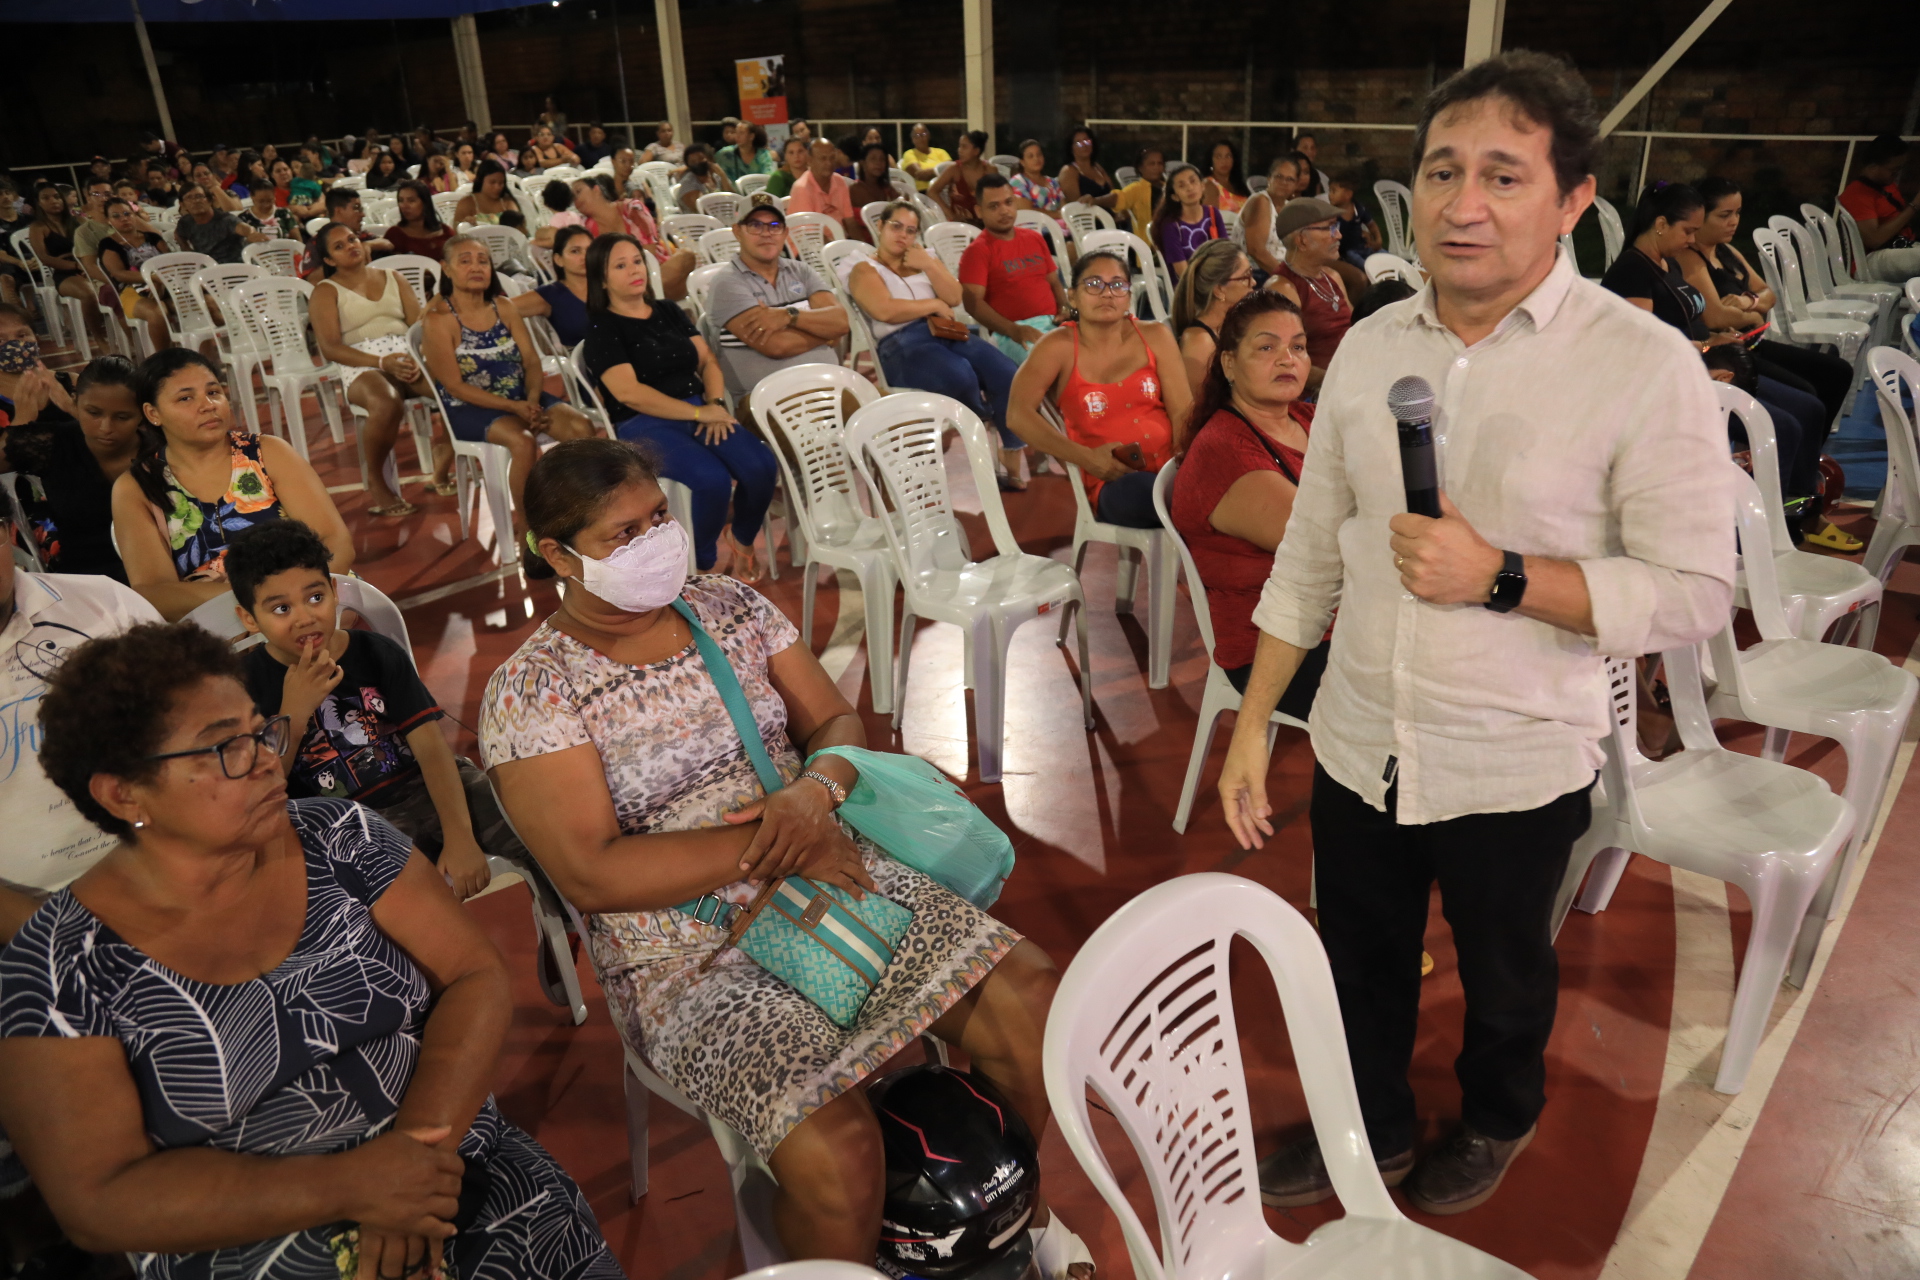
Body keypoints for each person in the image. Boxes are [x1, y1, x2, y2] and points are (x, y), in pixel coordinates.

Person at [1217, 50, 1735, 1215]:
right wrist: (1257, 725)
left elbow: (1696, 588)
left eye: (1504, 175)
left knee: (1507, 973)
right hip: (1358, 739)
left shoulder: (1640, 365)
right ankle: (1377, 1129)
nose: (1463, 204)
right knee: (1359, 960)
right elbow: (1308, 552)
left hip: (1514, 752)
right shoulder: (1366, 347)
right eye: (1443, 170)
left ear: (1573, 200)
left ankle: (1498, 1114)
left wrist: (1501, 575)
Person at [480, 438, 1093, 1275]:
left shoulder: (728, 605)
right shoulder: (534, 689)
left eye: (657, 517)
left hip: (829, 870)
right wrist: (766, 850)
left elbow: (836, 726)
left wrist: (815, 796)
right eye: (622, 536)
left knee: (1033, 1002)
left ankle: (1002, 1212)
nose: (655, 541)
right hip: (684, 952)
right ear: (557, 555)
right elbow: (592, 871)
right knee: (842, 1157)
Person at [0, 620, 625, 1280]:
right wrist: (353, 1186)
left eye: (260, 729)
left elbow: (473, 975)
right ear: (122, 793)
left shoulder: (339, 836)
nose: (270, 756)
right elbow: (101, 1198)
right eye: (224, 749)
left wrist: (412, 1158)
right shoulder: (56, 972)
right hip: (256, 1250)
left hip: (459, 1170)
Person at [226, 521, 512, 901]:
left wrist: (460, 837)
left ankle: (578, 928)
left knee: (529, 824)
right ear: (249, 619)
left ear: (333, 591)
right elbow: (261, 791)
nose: (305, 617)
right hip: (344, 824)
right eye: (281, 608)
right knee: (382, 899)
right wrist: (293, 715)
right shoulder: (245, 686)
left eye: (315, 598)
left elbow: (431, 750)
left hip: (427, 787)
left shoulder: (376, 653)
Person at [1601, 182, 1832, 536]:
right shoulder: (1631, 271)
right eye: (1688, 230)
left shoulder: (1666, 263)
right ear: (1661, 223)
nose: (1693, 239)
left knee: (1809, 408)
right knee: (1781, 427)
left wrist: (1712, 342)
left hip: (1706, 365)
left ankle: (1793, 511)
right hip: (1668, 383)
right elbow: (1644, 344)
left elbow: (1687, 325)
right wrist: (1707, 348)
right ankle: (1748, 538)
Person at [582, 233, 775, 578]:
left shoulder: (668, 310)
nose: (634, 270)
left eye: (637, 261)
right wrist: (700, 412)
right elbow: (629, 393)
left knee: (760, 464)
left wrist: (714, 403)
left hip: (699, 408)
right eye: (620, 265)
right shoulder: (602, 326)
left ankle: (743, 539)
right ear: (601, 278)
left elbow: (708, 362)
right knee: (711, 479)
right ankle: (702, 564)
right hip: (643, 422)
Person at [1682, 175, 1859, 549]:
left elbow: (1768, 295)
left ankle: (1803, 480)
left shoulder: (1727, 252)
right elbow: (1716, 317)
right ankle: (1792, 505)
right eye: (1724, 215)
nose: (1733, 222)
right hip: (1735, 354)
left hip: (1752, 344)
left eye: (1738, 213)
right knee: (1806, 403)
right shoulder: (1690, 255)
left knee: (1835, 374)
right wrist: (1750, 307)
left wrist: (1746, 304)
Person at [1170, 290, 1326, 712]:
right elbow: (1320, 545)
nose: (1286, 358)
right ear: (1229, 364)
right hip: (1276, 648)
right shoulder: (1225, 451)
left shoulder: (1308, 418)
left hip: (1336, 619)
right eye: (1266, 347)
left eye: (1298, 346)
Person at [112, 350, 353, 620]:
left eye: (213, 392)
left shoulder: (268, 453)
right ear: (153, 413)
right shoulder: (136, 487)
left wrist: (297, 598)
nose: (207, 405)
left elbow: (336, 541)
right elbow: (154, 591)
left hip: (306, 603)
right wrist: (258, 602)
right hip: (214, 620)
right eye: (185, 398)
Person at [422, 235, 593, 553]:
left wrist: (530, 400)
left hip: (520, 396)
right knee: (523, 442)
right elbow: (455, 386)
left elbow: (530, 360)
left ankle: (578, 514)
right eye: (465, 260)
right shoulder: (438, 321)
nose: (476, 266)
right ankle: (529, 529)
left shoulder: (504, 307)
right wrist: (514, 407)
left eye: (483, 260)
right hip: (468, 406)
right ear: (446, 269)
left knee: (581, 428)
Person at [849, 200, 1032, 487]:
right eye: (896, 226)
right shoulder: (864, 267)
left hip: (944, 330)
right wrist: (931, 302)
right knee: (960, 375)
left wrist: (929, 266)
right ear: (880, 226)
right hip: (901, 345)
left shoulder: (924, 259)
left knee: (1005, 369)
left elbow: (955, 297)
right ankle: (986, 415)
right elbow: (883, 310)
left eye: (911, 230)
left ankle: (1009, 446)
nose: (903, 235)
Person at [1008, 250, 1190, 525]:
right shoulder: (1058, 347)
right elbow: (1017, 414)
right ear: (1072, 296)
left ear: (1129, 295)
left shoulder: (1156, 336)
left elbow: (1182, 412)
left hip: (1171, 471)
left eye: (1118, 285)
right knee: (1156, 495)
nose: (1107, 293)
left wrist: (1186, 467)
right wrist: (1089, 459)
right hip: (1114, 482)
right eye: (1094, 284)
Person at [309, 222, 442, 516]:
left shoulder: (392, 277)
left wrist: (434, 311)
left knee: (450, 388)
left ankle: (443, 461)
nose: (351, 246)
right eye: (339, 246)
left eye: (352, 239)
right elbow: (330, 348)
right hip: (359, 363)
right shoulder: (325, 291)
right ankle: (376, 478)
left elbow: (417, 325)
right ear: (329, 260)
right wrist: (382, 363)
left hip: (404, 355)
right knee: (386, 402)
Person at [1, 353, 141, 580]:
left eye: (122, 417)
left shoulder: (159, 444)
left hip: (158, 569)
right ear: (76, 402)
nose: (106, 427)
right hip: (86, 577)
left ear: (144, 414)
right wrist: (21, 421)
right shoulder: (55, 442)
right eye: (93, 413)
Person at [707, 200, 849, 406]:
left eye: (775, 226)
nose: (767, 233)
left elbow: (842, 322)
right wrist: (824, 332)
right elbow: (776, 346)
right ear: (737, 231)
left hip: (830, 388)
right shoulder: (727, 283)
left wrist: (788, 316)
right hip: (771, 403)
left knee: (898, 421)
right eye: (755, 225)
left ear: (785, 233)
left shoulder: (801, 271)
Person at [960, 174, 1070, 365]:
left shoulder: (1034, 238)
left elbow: (1053, 281)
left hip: (1054, 323)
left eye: (1008, 202)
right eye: (994, 206)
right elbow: (973, 304)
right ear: (979, 211)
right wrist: (1013, 330)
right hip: (1013, 332)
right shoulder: (977, 251)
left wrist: (1065, 308)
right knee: (1052, 363)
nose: (1004, 211)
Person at [1264, 197, 1354, 390]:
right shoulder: (1283, 288)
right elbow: (1287, 361)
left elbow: (1354, 329)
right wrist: (1340, 381)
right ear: (1302, 240)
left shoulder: (1333, 277)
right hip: (1318, 393)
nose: (1338, 235)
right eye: (1329, 228)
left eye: (1336, 226)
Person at [1172, 239, 1256, 392]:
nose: (1254, 282)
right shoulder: (1199, 342)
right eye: (1246, 277)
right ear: (1219, 290)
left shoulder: (1234, 325)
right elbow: (1196, 409)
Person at [1837, 133, 1920, 283]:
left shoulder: (1885, 185)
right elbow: (1874, 239)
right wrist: (1914, 206)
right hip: (1868, 261)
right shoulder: (1857, 194)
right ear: (1873, 167)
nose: (1896, 174)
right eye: (1894, 170)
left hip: (1899, 247)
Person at [95, 200, 172, 351]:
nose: (124, 218)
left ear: (134, 215)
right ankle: (164, 359)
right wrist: (152, 278)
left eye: (127, 214)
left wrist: (160, 281)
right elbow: (119, 274)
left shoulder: (152, 237)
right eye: (116, 216)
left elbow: (169, 261)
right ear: (108, 221)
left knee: (200, 303)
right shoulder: (108, 243)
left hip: (164, 285)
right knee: (156, 312)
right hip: (131, 290)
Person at [27, 185, 97, 330]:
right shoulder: (38, 227)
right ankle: (98, 336)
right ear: (39, 203)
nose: (54, 201)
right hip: (65, 272)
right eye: (46, 198)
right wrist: (77, 266)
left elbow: (94, 243)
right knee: (89, 293)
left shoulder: (76, 220)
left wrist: (87, 265)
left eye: (57, 197)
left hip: (88, 265)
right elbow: (44, 258)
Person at [513, 224, 594, 348]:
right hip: (581, 363)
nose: (585, 256)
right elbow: (500, 311)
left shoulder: (610, 286)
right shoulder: (551, 294)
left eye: (590, 250)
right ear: (558, 259)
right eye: (575, 251)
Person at [1232, 153, 1305, 280]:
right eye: (1279, 176)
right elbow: (1256, 251)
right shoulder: (1260, 201)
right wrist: (1289, 277)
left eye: (1290, 179)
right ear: (1269, 178)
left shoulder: (1290, 208)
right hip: (1253, 272)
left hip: (1280, 270)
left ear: (1296, 184)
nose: (1284, 182)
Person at [1151, 163, 1230, 277]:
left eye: (1193, 181)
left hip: (1216, 279)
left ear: (1202, 186)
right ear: (1175, 197)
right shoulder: (1171, 225)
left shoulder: (1213, 213)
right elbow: (1182, 272)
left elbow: (1226, 252)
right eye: (1182, 186)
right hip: (1187, 285)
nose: (1189, 188)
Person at [172, 184, 263, 265]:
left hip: (235, 266)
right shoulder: (185, 222)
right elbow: (178, 235)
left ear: (209, 201)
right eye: (189, 198)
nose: (195, 201)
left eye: (199, 196)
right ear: (182, 204)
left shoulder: (225, 219)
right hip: (207, 269)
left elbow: (244, 228)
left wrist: (252, 233)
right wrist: (187, 250)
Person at [784, 140, 856, 233]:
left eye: (832, 158)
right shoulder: (802, 188)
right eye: (823, 159)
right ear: (809, 160)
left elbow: (850, 221)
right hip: (808, 243)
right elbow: (812, 234)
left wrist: (864, 246)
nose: (829, 163)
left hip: (837, 241)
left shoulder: (840, 182)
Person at [929, 130, 992, 226]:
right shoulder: (954, 170)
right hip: (959, 226)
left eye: (964, 147)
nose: (959, 150)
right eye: (960, 146)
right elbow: (932, 191)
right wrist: (951, 215)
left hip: (986, 225)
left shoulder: (990, 170)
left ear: (976, 151)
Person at [384, 179, 455, 260]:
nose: (404, 206)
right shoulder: (395, 235)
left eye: (411, 201)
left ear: (425, 203)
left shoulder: (446, 232)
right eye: (401, 200)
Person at [1111, 147, 1167, 235]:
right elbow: (1118, 198)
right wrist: (1095, 200)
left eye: (1160, 163)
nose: (1156, 167)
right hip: (1147, 242)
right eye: (1152, 164)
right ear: (1140, 168)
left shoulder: (1169, 187)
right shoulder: (1136, 189)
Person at [847, 144, 899, 239]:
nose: (878, 163)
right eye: (873, 159)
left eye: (882, 159)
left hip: (888, 238)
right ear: (863, 163)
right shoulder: (855, 189)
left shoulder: (886, 187)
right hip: (863, 241)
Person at [1058, 126, 1116, 210]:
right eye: (1079, 143)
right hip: (1089, 220)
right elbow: (1076, 206)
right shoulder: (1069, 171)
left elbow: (1113, 194)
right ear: (1071, 148)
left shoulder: (1098, 168)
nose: (1084, 145)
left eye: (1087, 141)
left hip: (1112, 218)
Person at [1009, 140, 1066, 220]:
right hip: (1034, 229)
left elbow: (1064, 208)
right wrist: (1057, 214)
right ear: (1022, 162)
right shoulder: (1018, 182)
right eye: (1030, 156)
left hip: (1060, 229)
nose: (1036, 159)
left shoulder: (1053, 182)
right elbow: (1028, 212)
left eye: (1039, 154)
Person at [454, 159, 518, 227]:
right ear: (481, 181)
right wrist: (465, 225)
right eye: (492, 182)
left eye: (501, 183)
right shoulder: (467, 203)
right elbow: (457, 232)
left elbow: (519, 229)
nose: (497, 187)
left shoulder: (507, 203)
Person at [675, 143, 735, 213]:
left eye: (701, 159)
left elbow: (734, 199)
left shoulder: (716, 176)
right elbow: (703, 210)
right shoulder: (688, 182)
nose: (697, 163)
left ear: (710, 159)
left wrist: (722, 175)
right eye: (693, 161)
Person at [1200, 140, 1250, 214]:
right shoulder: (1209, 185)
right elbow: (1210, 218)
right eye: (1218, 156)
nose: (1224, 161)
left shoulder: (1237, 184)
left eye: (1228, 156)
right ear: (1211, 160)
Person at [900, 122, 952, 192]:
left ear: (928, 136)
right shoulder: (909, 153)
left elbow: (951, 171)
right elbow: (919, 175)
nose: (921, 138)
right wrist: (940, 171)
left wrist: (931, 172)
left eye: (923, 134)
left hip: (945, 190)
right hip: (922, 193)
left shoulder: (941, 152)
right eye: (917, 135)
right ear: (913, 139)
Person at [1293, 132, 1332, 198]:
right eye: (1305, 148)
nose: (1310, 152)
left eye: (1312, 148)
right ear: (1294, 150)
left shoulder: (1322, 177)